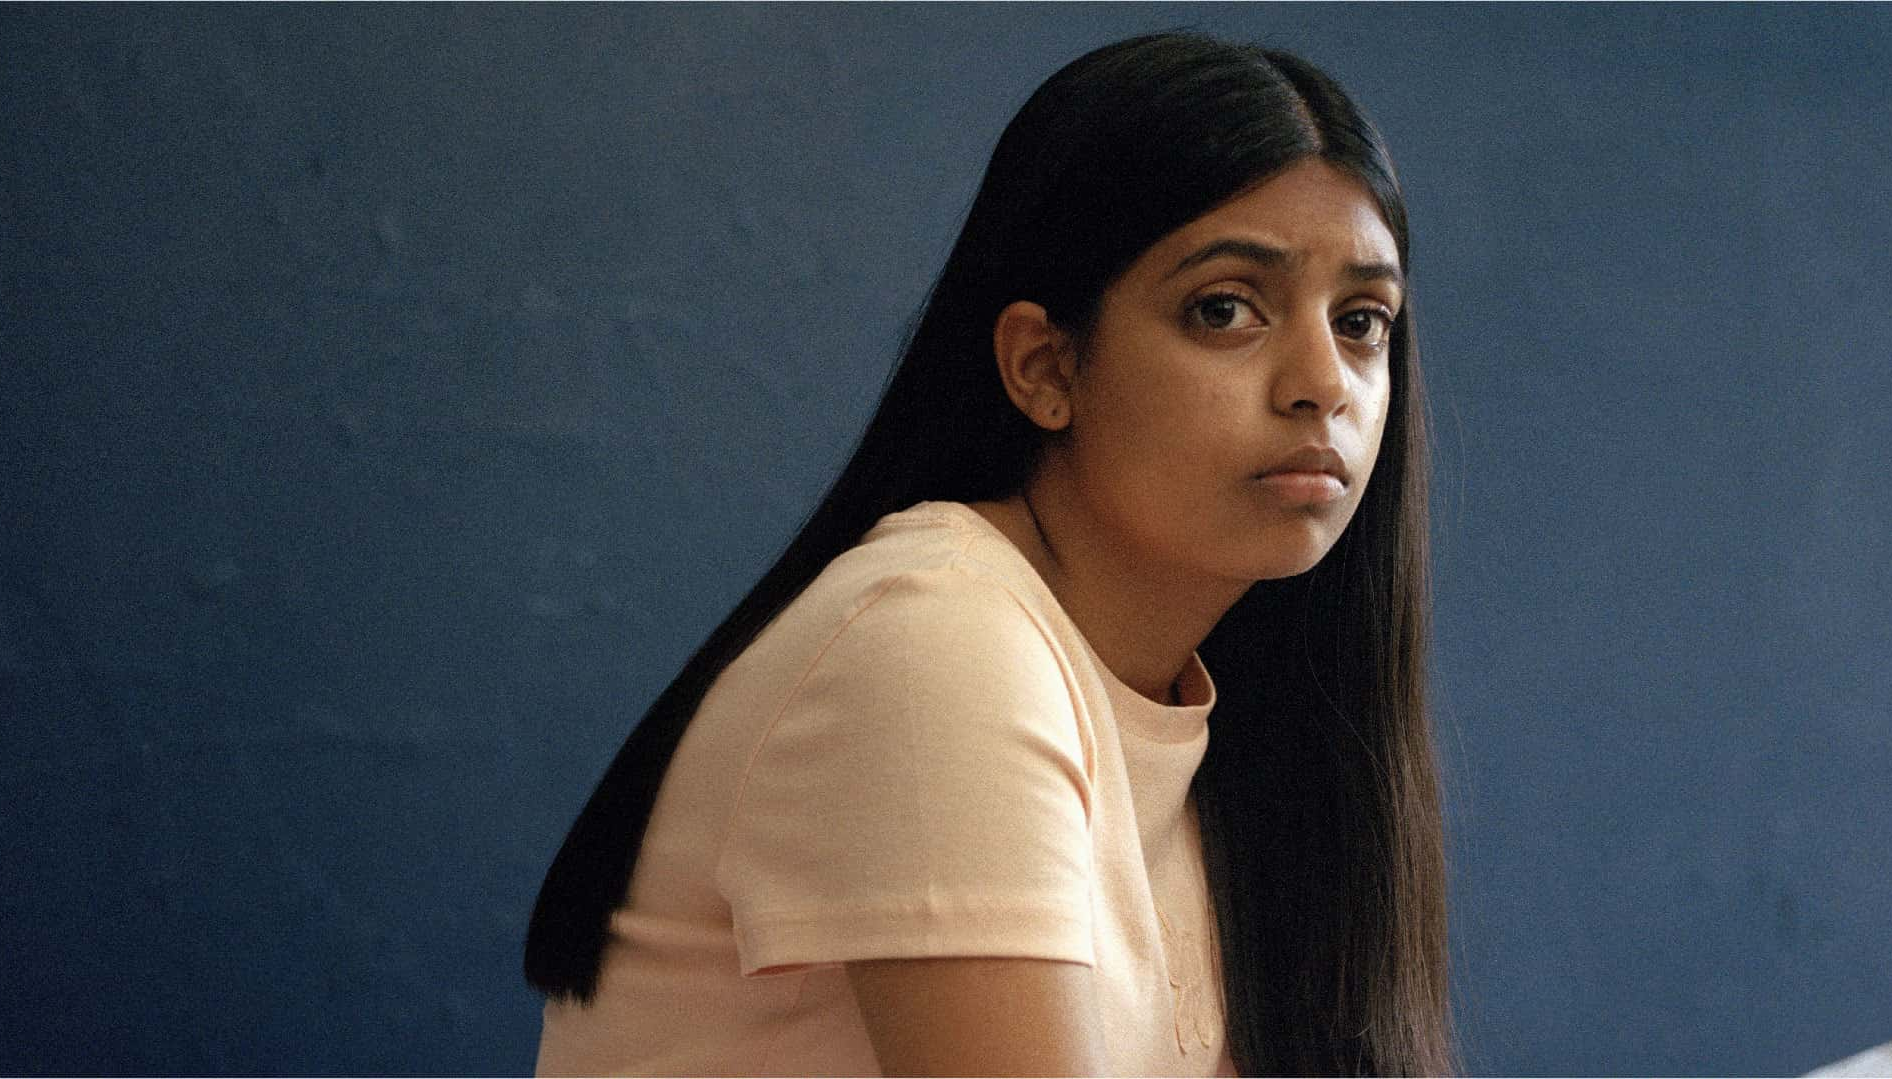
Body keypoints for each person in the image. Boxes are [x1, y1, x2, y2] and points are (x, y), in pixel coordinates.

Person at [524, 30, 1456, 1077]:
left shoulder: (1238, 712)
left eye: (1364, 320)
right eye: (1225, 309)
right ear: (1044, 366)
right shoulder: (938, 638)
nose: (1322, 380)